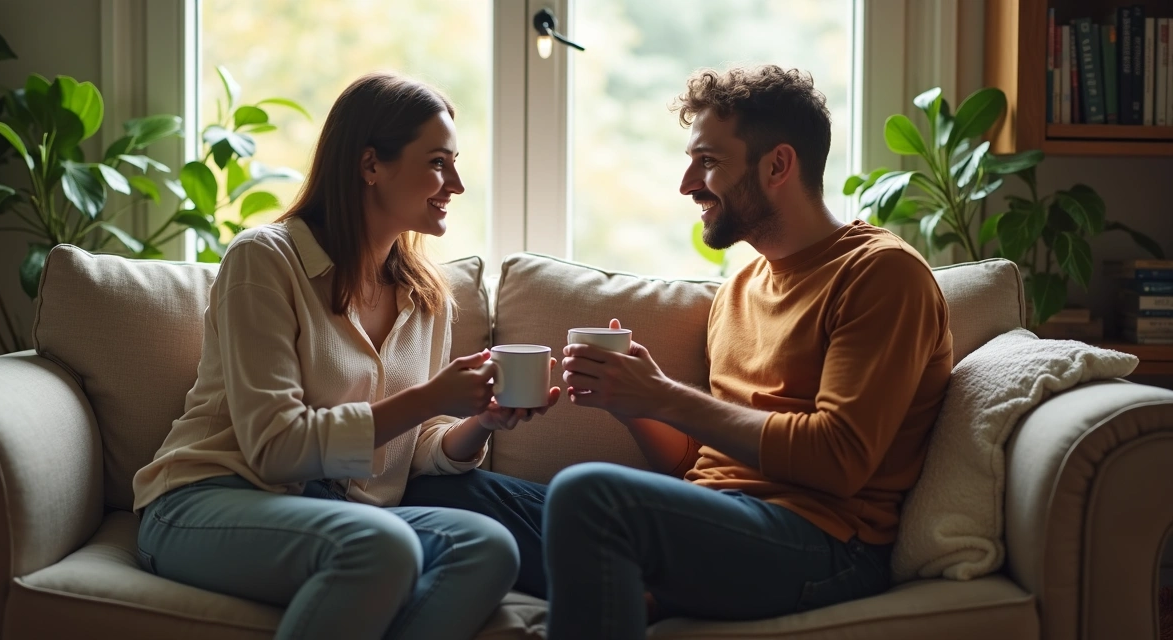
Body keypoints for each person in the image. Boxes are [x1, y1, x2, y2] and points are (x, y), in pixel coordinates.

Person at [401, 64, 953, 639]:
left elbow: (838, 459)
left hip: (822, 543)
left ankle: (630, 584)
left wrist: (664, 395)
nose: (687, 184)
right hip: (716, 524)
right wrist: (633, 400)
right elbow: (692, 464)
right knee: (442, 492)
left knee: (590, 495)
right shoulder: (742, 287)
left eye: (709, 162)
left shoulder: (879, 275)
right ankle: (628, 585)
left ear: (778, 166)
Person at [131, 72, 559, 640]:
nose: (455, 182)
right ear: (370, 166)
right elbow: (275, 448)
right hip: (208, 499)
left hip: (348, 514)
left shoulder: (427, 297)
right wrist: (429, 397)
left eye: (454, 162)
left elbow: (418, 443)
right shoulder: (265, 261)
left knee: (486, 546)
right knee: (381, 545)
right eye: (437, 162)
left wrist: (477, 423)